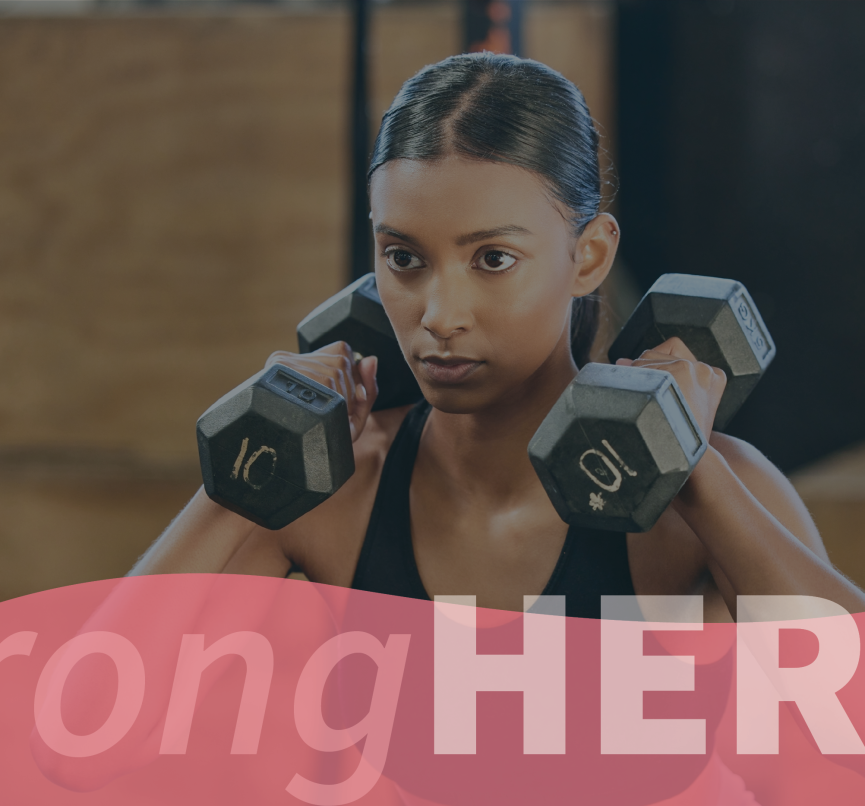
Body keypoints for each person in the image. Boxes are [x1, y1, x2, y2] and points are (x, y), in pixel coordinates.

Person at [43, 53, 865, 803]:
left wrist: (689, 468)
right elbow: (78, 745)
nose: (439, 315)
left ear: (587, 256)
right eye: (404, 257)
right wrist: (247, 474)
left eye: (492, 259)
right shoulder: (338, 492)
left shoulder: (710, 499)